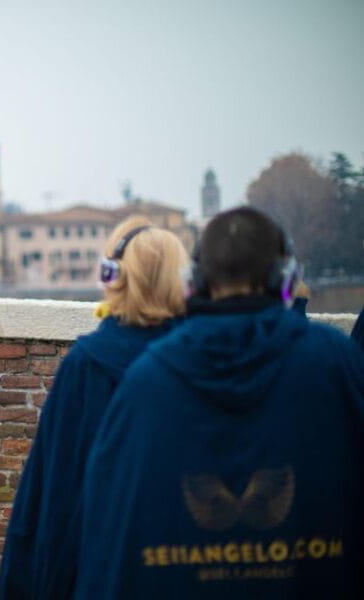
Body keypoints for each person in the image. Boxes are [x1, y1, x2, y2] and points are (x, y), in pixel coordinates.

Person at [74, 207, 364, 599]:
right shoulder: (336, 361)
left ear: (193, 283)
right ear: (287, 280)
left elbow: (110, 530)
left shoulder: (148, 379)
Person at [0, 216, 190, 599]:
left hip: (103, 566)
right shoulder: (202, 360)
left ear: (112, 276)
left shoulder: (87, 364)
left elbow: (53, 491)